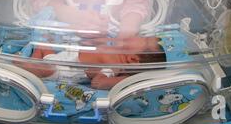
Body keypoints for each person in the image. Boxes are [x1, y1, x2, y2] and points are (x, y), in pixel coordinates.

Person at [17, 36, 166, 89]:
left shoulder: (114, 66)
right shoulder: (116, 51)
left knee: (40, 68)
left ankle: (11, 66)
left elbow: (98, 83)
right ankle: (33, 61)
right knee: (43, 44)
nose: (142, 36)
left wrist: (123, 80)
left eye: (145, 40)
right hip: (63, 57)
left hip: (61, 70)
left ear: (133, 58)